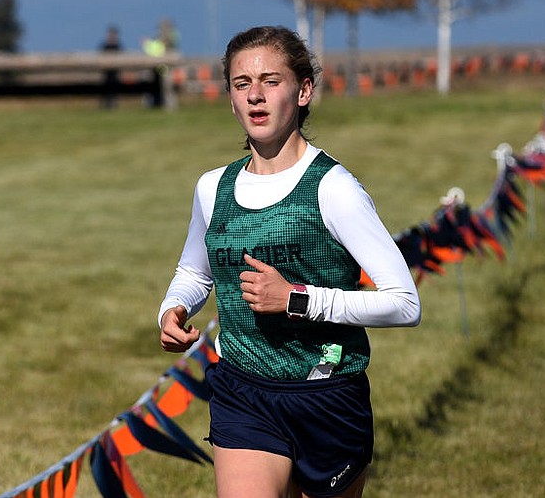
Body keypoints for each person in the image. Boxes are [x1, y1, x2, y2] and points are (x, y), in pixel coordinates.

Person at [158, 25, 421, 498]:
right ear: (230, 98)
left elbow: (404, 303)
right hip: (243, 391)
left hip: (327, 396)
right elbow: (194, 272)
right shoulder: (211, 187)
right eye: (242, 84)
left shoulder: (333, 188)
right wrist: (173, 308)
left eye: (271, 81)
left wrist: (297, 300)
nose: (255, 96)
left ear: (303, 91)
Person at [99, 24, 122, 108]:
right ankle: (104, 105)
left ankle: (113, 104)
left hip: (115, 72)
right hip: (106, 72)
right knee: (105, 89)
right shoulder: (104, 46)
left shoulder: (118, 46)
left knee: (114, 89)